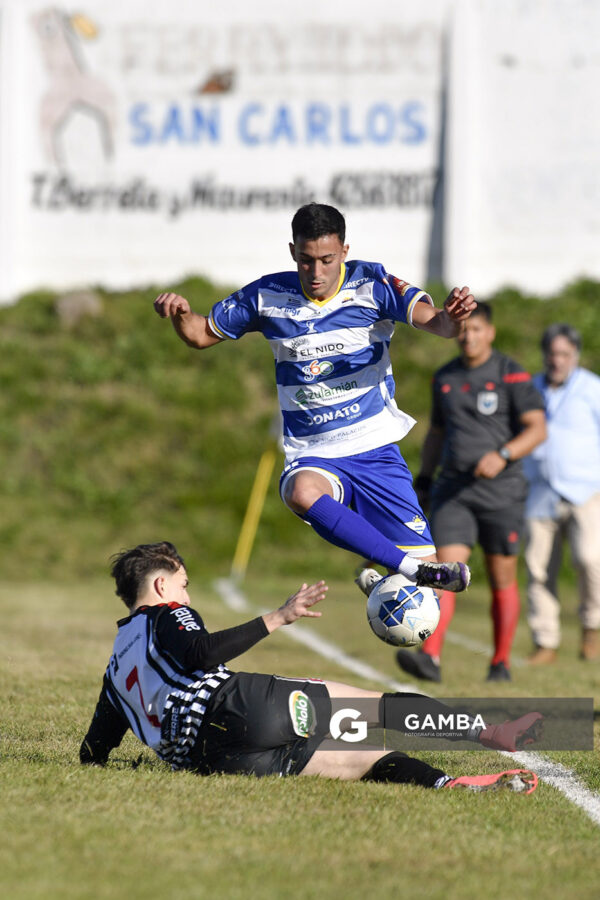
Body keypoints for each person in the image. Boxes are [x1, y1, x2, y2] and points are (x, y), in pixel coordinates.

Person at [153, 202, 476, 596]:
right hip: (315, 451)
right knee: (301, 492)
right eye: (306, 261)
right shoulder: (267, 295)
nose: (317, 272)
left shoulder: (372, 285)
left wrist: (455, 317)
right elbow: (201, 334)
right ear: (293, 252)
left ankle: (399, 571)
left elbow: (440, 324)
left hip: (375, 448)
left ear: (344, 251)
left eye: (327, 259)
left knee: (426, 605)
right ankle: (406, 567)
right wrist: (181, 313)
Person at [80, 541, 539, 793]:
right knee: (380, 711)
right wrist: (277, 617)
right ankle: (491, 733)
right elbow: (201, 653)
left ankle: (447, 784)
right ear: (160, 584)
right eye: (183, 585)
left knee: (365, 761)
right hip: (240, 708)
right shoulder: (167, 614)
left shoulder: (116, 665)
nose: (188, 596)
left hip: (217, 763)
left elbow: (93, 751)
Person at [395, 302, 546, 683]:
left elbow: (537, 428)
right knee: (445, 573)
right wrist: (426, 477)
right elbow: (437, 433)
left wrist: (504, 454)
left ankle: (500, 662)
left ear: (490, 333)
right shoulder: (444, 377)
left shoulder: (511, 374)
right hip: (454, 491)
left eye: (477, 329)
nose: (469, 336)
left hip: (503, 493)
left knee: (501, 576)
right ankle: (430, 656)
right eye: (464, 329)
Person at [522, 324, 600, 664]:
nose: (558, 360)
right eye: (552, 354)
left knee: (590, 559)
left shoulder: (592, 388)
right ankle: (545, 642)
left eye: (565, 354)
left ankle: (592, 631)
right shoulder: (531, 388)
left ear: (575, 356)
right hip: (540, 488)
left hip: (587, 490)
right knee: (538, 566)